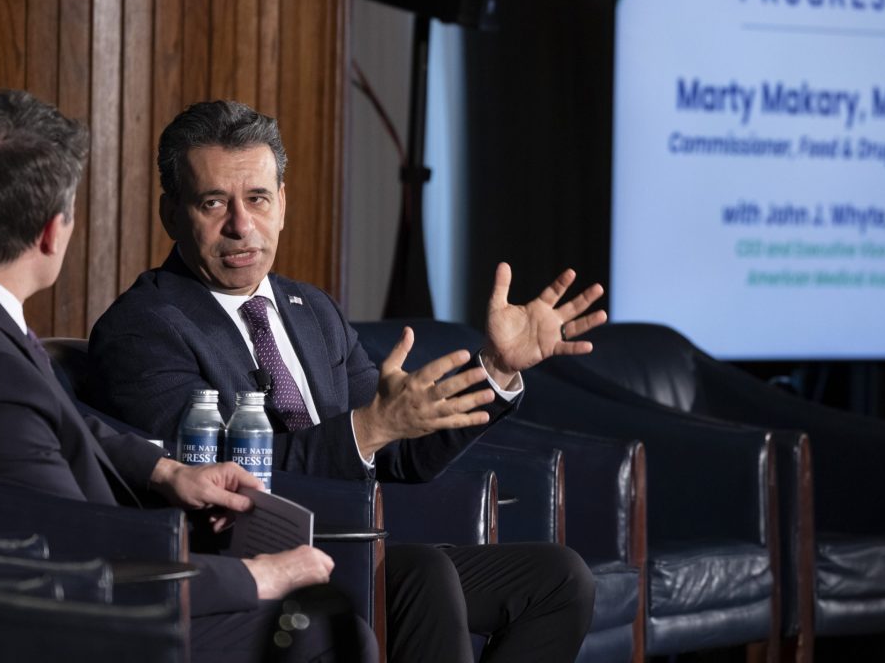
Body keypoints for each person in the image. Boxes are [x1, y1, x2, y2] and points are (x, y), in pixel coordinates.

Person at [90, 99, 604, 662]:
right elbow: (211, 479)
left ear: (282, 205)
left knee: (560, 579)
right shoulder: (144, 327)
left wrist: (497, 366)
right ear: (171, 213)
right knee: (421, 572)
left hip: (361, 543)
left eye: (257, 199)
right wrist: (367, 429)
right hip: (253, 562)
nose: (241, 225)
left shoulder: (312, 310)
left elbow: (401, 454)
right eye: (213, 202)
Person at [0, 90, 376, 663]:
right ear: (53, 232)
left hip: (40, 585)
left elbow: (56, 420)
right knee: (324, 632)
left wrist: (163, 469)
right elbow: (81, 560)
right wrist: (260, 576)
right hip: (56, 624)